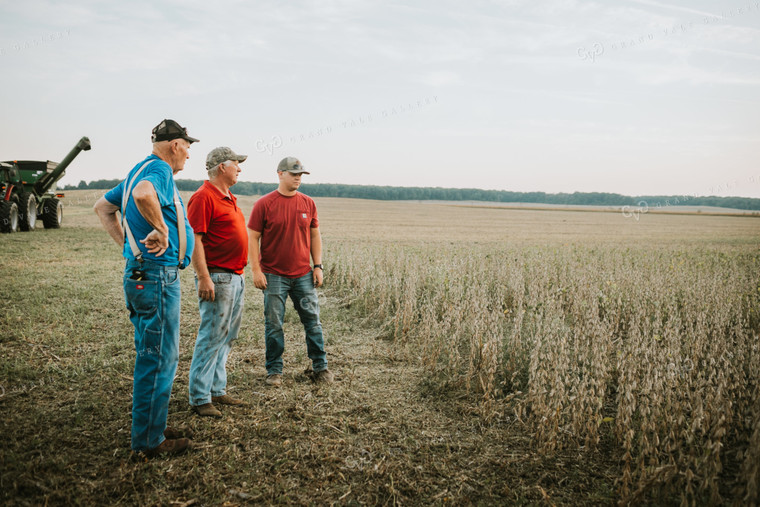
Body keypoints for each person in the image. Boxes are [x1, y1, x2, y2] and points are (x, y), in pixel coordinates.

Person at [93, 119, 197, 457]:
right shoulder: (160, 171)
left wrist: (130, 245)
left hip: (143, 274)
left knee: (152, 353)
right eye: (187, 146)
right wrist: (161, 230)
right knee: (159, 357)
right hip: (157, 277)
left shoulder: (137, 169)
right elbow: (142, 195)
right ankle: (149, 443)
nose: (188, 154)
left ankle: (153, 425)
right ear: (174, 145)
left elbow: (104, 207)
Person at [248, 157, 333, 386]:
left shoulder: (308, 203)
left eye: (300, 175)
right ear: (280, 174)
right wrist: (256, 270)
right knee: (274, 323)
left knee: (312, 321)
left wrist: (318, 266)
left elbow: (315, 235)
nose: (298, 178)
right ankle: (274, 371)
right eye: (293, 174)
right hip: (274, 276)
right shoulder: (264, 204)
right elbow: (253, 237)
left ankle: (320, 367)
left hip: (303, 276)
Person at [186, 147, 249, 417]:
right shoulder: (203, 197)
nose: (240, 168)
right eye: (237, 163)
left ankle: (217, 390)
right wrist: (203, 277)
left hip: (236, 276)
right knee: (212, 336)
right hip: (218, 277)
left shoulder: (228, 196)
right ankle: (200, 397)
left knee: (227, 336)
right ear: (222, 167)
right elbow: (195, 241)